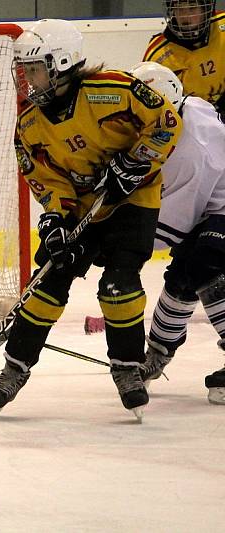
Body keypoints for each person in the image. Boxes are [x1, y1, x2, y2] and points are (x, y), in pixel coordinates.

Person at [0, 19, 182, 420]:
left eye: (33, 68)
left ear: (62, 62)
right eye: (22, 71)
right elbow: (44, 178)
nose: (26, 79)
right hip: (82, 206)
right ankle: (14, 369)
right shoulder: (29, 125)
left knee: (118, 285)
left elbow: (167, 122)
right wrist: (54, 220)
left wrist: (133, 163)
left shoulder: (115, 90)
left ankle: (127, 369)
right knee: (48, 284)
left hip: (132, 200)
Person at [129, 62, 225, 405]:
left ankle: (156, 353)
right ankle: (156, 354)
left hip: (218, 211)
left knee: (203, 263)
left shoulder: (188, 151)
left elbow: (170, 231)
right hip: (215, 207)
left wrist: (116, 248)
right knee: (183, 276)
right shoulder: (188, 107)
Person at [143, 1, 225, 115]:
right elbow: (150, 105)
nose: (186, 16)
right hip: (192, 121)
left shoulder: (222, 26)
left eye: (192, 8)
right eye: (179, 9)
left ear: (205, 10)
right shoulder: (158, 54)